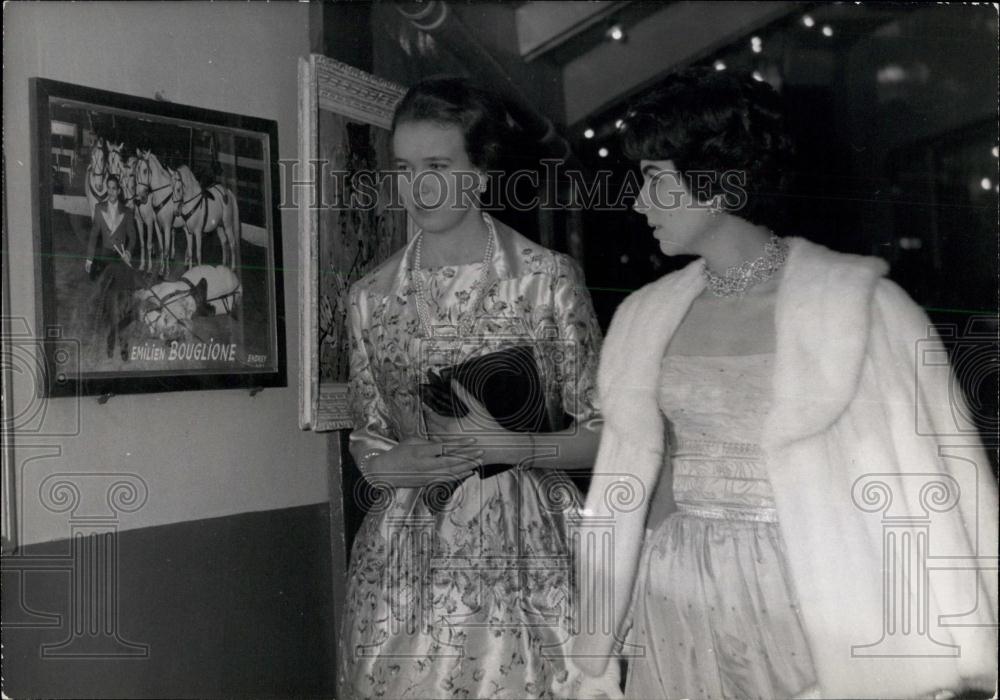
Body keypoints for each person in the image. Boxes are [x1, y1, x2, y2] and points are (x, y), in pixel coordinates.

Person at [564, 68, 997, 699]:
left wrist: (948, 641)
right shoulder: (645, 317)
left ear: (714, 184)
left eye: (655, 180)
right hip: (678, 595)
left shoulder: (853, 306)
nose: (638, 203)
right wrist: (611, 623)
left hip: (804, 592)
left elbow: (929, 485)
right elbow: (639, 481)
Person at [337, 77, 604, 700]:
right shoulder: (370, 298)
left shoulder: (544, 281)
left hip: (527, 553)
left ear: (480, 171)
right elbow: (366, 435)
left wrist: (518, 449)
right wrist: (384, 465)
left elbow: (605, 433)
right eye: (404, 167)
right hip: (405, 561)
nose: (418, 187)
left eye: (438, 165)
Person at [85, 173, 139, 361]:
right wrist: (90, 259)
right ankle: (108, 338)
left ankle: (124, 347)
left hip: (122, 259)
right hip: (106, 260)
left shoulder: (128, 211)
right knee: (106, 303)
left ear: (119, 190)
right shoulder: (99, 209)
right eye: (108, 188)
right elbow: (93, 236)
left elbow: (133, 238)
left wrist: (129, 252)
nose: (111, 192)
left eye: (114, 188)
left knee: (126, 305)